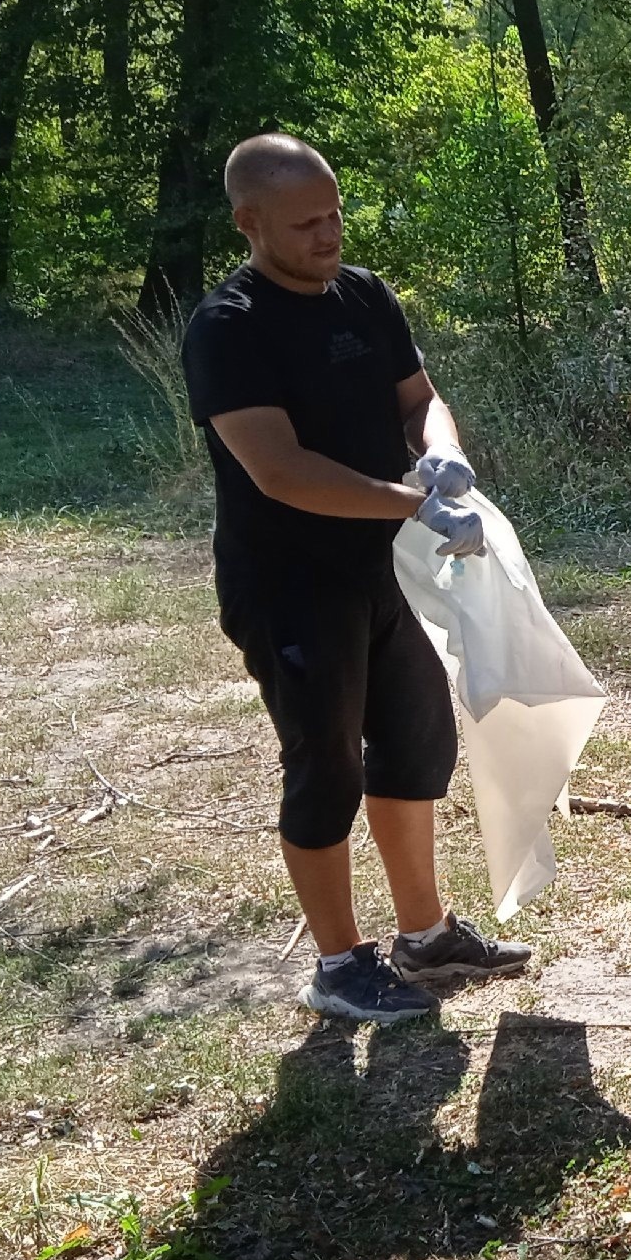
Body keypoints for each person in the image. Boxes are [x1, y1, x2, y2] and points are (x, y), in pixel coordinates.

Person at [181, 132, 534, 1026]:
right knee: (326, 765)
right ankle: (338, 963)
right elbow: (280, 470)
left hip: (391, 575)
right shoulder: (231, 328)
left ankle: (426, 935)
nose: (329, 234)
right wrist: (410, 505)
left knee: (417, 746)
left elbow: (417, 396)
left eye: (335, 213)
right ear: (249, 224)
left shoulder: (364, 295)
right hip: (290, 583)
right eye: (306, 223)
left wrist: (441, 448)